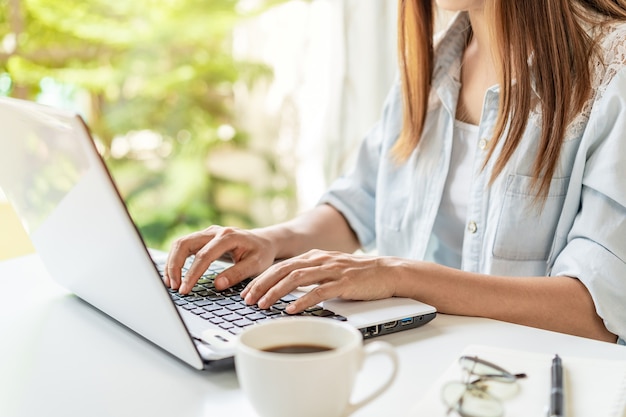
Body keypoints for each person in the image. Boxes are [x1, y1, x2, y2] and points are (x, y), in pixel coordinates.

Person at [164, 0, 626, 344]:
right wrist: (274, 242)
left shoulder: (612, 71)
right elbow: (358, 203)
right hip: (417, 365)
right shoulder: (433, 63)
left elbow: (596, 310)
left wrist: (398, 275)